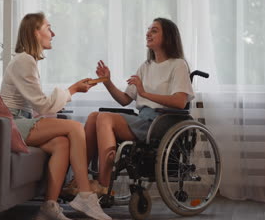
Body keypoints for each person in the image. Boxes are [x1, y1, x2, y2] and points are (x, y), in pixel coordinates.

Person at [0, 12, 112, 220]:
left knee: (62, 143)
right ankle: (86, 195)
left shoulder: (27, 60)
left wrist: (73, 90)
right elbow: (42, 106)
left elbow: (40, 104)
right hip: (11, 124)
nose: (53, 33)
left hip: (21, 120)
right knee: (75, 127)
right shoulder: (24, 61)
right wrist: (73, 90)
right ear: (35, 32)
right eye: (48, 27)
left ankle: (48, 207)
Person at [83, 17, 195, 192]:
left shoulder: (178, 65)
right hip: (143, 119)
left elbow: (180, 102)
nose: (148, 33)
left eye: (154, 30)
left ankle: (102, 185)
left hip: (161, 122)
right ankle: (81, 180)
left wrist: (144, 93)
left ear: (168, 37)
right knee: (93, 117)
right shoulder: (146, 66)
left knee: (104, 118)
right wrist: (107, 81)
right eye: (148, 30)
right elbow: (125, 99)